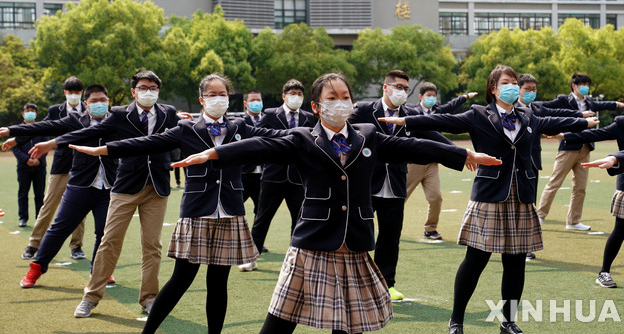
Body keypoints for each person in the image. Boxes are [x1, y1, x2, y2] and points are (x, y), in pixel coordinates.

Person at [170, 72, 501, 334]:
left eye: (345, 97)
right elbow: (257, 147)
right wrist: (213, 153)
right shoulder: (302, 139)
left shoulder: (368, 136)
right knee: (281, 321)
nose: (339, 103)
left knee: (349, 324)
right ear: (316, 106)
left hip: (353, 244)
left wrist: (464, 154)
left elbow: (413, 147)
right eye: (331, 98)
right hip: (313, 242)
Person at [379, 65, 598, 334]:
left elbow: (553, 122)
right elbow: (443, 121)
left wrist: (583, 122)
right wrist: (406, 121)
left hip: (521, 195)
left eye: (515, 82)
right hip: (490, 196)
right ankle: (456, 320)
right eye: (507, 82)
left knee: (515, 262)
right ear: (493, 88)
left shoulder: (527, 116)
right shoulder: (478, 115)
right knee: (475, 260)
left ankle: (508, 321)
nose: (513, 87)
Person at [69, 74, 287, 334]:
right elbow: (146, 143)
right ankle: (148, 331)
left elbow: (276, 135)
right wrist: (103, 150)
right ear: (201, 100)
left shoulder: (241, 127)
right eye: (212, 94)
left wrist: (315, 132)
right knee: (181, 279)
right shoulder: (187, 129)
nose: (218, 99)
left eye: (223, 95)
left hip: (229, 211)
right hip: (197, 211)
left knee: (219, 282)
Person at [57, 71, 188, 318]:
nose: (147, 91)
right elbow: (89, 132)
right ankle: (91, 297)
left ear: (158, 91)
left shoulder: (169, 113)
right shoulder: (118, 115)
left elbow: (183, 134)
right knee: (109, 242)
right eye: (142, 87)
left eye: (152, 87)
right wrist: (52, 144)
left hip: (157, 187)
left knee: (152, 245)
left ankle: (149, 298)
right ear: (133, 91)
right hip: (126, 187)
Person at [0, 85, 117, 288]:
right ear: (86, 104)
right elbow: (43, 127)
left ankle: (99, 270)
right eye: (93, 101)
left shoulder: (117, 119)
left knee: (104, 233)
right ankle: (36, 268)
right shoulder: (76, 120)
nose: (99, 104)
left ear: (108, 101)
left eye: (103, 99)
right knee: (59, 228)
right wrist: (13, 131)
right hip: (80, 185)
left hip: (108, 187)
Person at [349, 70, 452, 301]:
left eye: (406, 88)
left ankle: (387, 283)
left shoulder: (410, 115)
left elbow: (432, 134)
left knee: (390, 236)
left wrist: (462, 153)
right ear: (385, 87)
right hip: (366, 183)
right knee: (359, 234)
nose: (402, 92)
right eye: (397, 87)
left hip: (395, 183)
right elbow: (342, 132)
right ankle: (354, 281)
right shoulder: (364, 110)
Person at [515, 73, 595, 260]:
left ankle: (524, 246)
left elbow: (557, 116)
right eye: (526, 89)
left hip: (531, 161)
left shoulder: (537, 108)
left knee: (528, 204)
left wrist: (580, 117)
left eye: (533, 89)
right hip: (510, 163)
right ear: (518, 89)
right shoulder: (507, 108)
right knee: (509, 205)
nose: (530, 93)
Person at [239, 79, 314, 271]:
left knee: (299, 219)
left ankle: (296, 259)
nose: (295, 97)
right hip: (273, 175)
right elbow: (257, 133)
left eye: (299, 94)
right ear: (284, 96)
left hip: (298, 177)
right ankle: (251, 257)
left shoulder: (308, 116)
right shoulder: (272, 114)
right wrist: (284, 135)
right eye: (292, 93)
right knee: (263, 218)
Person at [550, 115, 624, 288]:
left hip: (618, 164)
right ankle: (604, 272)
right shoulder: (623, 124)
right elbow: (594, 135)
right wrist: (565, 136)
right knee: (621, 230)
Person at [538, 73, 624, 231]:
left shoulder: (590, 101)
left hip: (586, 148)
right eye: (583, 85)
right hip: (568, 147)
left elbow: (602, 104)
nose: (586, 88)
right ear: (574, 86)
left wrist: (616, 104)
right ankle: (539, 216)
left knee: (580, 187)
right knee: (554, 183)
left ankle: (573, 221)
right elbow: (546, 107)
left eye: (588, 85)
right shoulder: (564, 100)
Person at [12, 76, 87, 259]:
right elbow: (39, 128)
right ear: (65, 93)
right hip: (61, 166)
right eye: (70, 92)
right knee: (48, 207)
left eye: (77, 92)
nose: (74, 95)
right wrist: (15, 137)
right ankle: (33, 244)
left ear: (82, 93)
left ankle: (76, 246)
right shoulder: (56, 111)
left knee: (80, 210)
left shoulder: (89, 110)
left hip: (83, 167)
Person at [405, 82, 478, 241]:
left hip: (432, 163)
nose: (431, 98)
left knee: (436, 197)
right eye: (428, 96)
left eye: (433, 95)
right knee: (399, 197)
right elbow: (431, 134)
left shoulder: (437, 111)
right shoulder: (412, 111)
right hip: (414, 162)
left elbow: (450, 105)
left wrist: (464, 97)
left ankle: (430, 229)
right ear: (420, 97)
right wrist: (459, 152)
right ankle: (382, 225)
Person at [12, 103, 48, 228]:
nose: (30, 113)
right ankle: (23, 218)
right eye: (28, 110)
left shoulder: (41, 128)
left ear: (36, 114)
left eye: (33, 111)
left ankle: (39, 218)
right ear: (23, 113)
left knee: (40, 194)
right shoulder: (18, 129)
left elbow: (47, 144)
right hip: (23, 167)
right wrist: (27, 159)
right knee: (23, 193)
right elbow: (15, 148)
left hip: (40, 166)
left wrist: (38, 158)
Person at [241, 90, 264, 219]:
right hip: (244, 174)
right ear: (246, 103)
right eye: (252, 100)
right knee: (234, 207)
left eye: (259, 100)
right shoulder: (240, 122)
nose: (256, 103)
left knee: (261, 212)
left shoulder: (268, 120)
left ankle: (255, 239)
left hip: (263, 175)